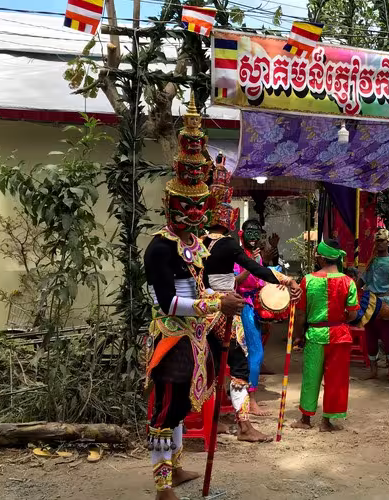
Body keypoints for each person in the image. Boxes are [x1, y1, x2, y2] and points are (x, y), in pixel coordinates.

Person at [143, 94, 244, 499]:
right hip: (171, 336)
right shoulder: (160, 248)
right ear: (171, 205)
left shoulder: (195, 243)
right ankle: (161, 482)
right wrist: (218, 304)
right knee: (166, 408)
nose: (196, 217)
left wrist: (219, 307)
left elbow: (200, 286)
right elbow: (167, 302)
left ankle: (178, 465)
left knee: (184, 406)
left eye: (201, 208)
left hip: (196, 335)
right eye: (188, 208)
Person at [203, 202, 300, 441]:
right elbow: (256, 270)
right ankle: (244, 427)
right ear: (231, 221)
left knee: (212, 367)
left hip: (201, 311)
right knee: (240, 367)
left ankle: (213, 421)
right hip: (226, 312)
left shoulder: (197, 243)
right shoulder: (226, 244)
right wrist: (288, 280)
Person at [292, 239, 360, 432]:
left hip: (315, 333)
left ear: (321, 258)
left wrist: (298, 335)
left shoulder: (308, 280)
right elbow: (353, 314)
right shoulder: (348, 281)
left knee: (311, 376)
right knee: (336, 378)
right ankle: (327, 422)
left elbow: (301, 313)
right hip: (340, 335)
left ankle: (305, 419)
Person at [234, 219, 285, 415]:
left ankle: (248, 395)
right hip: (244, 306)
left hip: (256, 305)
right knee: (255, 352)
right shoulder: (236, 255)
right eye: (250, 232)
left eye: (257, 233)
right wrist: (251, 265)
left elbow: (263, 276)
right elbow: (234, 282)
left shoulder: (256, 255)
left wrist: (277, 282)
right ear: (242, 233)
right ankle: (251, 400)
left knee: (255, 351)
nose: (254, 237)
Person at [358, 228, 389, 382]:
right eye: (377, 241)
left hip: (387, 302)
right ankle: (374, 371)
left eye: (382, 241)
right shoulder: (371, 261)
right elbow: (362, 280)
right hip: (370, 302)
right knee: (370, 337)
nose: (379, 244)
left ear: (388, 242)